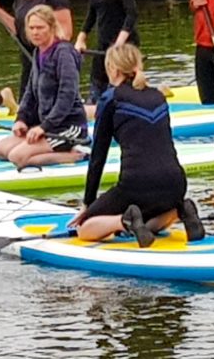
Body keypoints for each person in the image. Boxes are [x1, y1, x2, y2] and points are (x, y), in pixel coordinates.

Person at [68, 44, 205, 248]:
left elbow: (98, 157)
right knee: (149, 226)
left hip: (137, 186)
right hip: (176, 184)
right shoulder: (158, 96)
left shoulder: (110, 99)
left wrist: (87, 205)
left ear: (112, 69)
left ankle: (124, 220)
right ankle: (181, 210)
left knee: (84, 229)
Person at [0, 5, 88, 169]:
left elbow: (67, 95)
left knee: (17, 157)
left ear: (51, 28)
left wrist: (44, 127)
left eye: (40, 28)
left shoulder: (64, 53)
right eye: (31, 28)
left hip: (68, 127)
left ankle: (74, 155)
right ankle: (42, 147)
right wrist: (21, 119)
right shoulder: (38, 52)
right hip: (47, 125)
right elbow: (30, 92)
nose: (35, 32)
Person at [73, 0, 139, 110]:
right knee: (96, 88)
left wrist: (119, 44)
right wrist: (81, 38)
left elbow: (131, 13)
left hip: (123, 44)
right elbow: (92, 13)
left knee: (118, 92)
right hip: (103, 43)